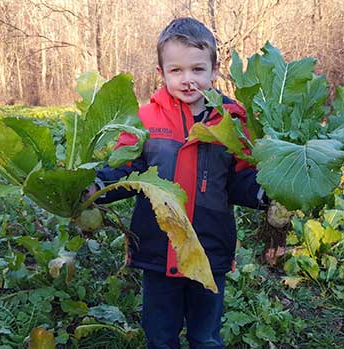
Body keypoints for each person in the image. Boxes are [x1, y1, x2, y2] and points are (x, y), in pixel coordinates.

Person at [90, 17, 267, 349]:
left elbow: (240, 178)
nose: (188, 80)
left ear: (215, 71)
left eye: (198, 70)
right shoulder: (144, 120)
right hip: (158, 250)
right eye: (176, 71)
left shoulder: (234, 119)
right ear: (161, 73)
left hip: (210, 248)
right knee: (159, 335)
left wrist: (266, 193)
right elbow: (126, 173)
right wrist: (94, 189)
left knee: (206, 335)